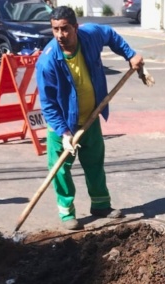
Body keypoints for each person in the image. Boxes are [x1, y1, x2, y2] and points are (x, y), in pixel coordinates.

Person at [36, 6, 144, 230]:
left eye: (65, 29)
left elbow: (111, 35)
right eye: (55, 29)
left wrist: (130, 54)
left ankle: (101, 205)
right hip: (63, 125)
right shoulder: (48, 62)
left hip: (90, 118)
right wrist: (64, 133)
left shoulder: (91, 35)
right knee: (60, 170)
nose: (59, 35)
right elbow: (48, 104)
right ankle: (67, 213)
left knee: (94, 163)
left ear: (76, 27)